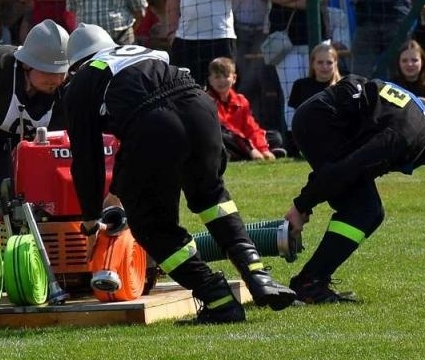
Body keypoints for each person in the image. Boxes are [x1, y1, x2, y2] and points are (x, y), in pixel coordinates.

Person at [63, 38, 297, 322]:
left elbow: (88, 160)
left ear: (74, 65)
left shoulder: (83, 82)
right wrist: (118, 191)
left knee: (152, 226)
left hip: (154, 124)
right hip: (199, 106)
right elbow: (135, 133)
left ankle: (217, 298)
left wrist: (90, 223)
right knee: (211, 196)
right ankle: (258, 275)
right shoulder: (142, 53)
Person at [283, 77, 425, 303]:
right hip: (319, 120)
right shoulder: (407, 139)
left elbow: (348, 165)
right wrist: (301, 205)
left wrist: (307, 201)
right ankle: (310, 283)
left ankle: (312, 280)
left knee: (368, 210)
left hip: (328, 120)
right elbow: (346, 169)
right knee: (365, 210)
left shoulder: (424, 135)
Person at [0, 20, 70, 220]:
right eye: (47, 72)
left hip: (37, 148)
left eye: (60, 73)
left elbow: (65, 139)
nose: (55, 80)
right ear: (27, 64)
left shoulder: (65, 88)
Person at [261, 0, 333, 123]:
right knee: (291, 92)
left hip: (318, 39)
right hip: (286, 42)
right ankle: (295, 138)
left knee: (322, 88)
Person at [205, 57, 278, 161]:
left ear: (234, 78)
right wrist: (251, 148)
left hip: (243, 139)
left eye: (225, 76)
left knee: (275, 137)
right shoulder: (207, 101)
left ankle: (261, 152)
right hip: (227, 139)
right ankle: (251, 154)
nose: (221, 81)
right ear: (210, 80)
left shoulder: (241, 100)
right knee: (221, 137)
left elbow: (251, 127)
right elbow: (224, 128)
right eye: (217, 77)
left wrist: (263, 148)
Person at [288, 40, 342, 122]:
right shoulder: (300, 86)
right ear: (313, 64)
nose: (325, 67)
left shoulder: (343, 87)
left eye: (329, 63)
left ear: (335, 64)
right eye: (320, 62)